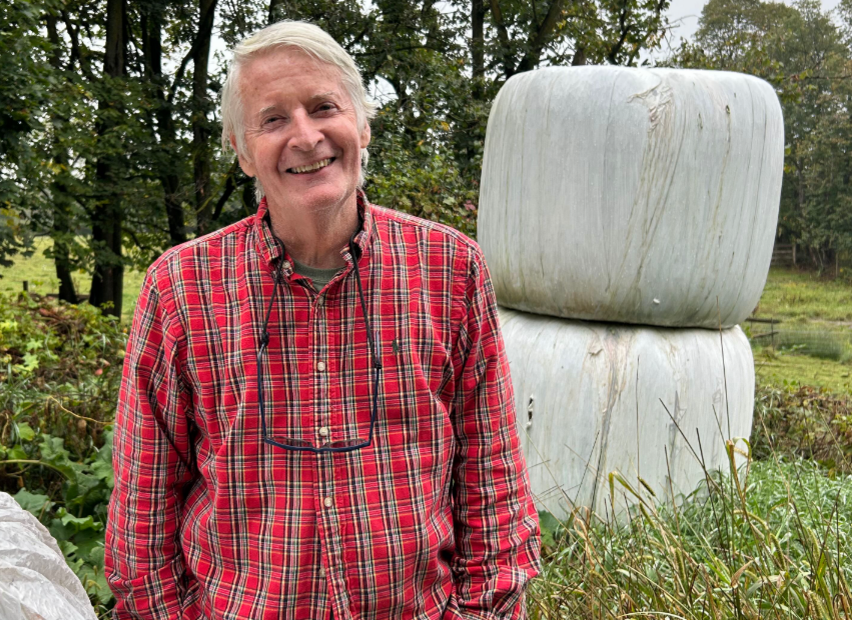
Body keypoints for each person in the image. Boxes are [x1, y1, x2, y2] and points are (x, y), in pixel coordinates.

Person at [105, 20, 541, 620]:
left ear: (362, 123)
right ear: (241, 150)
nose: (306, 137)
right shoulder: (182, 288)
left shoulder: (449, 269)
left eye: (323, 107)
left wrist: (483, 611)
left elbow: (492, 477)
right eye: (273, 119)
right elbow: (143, 506)